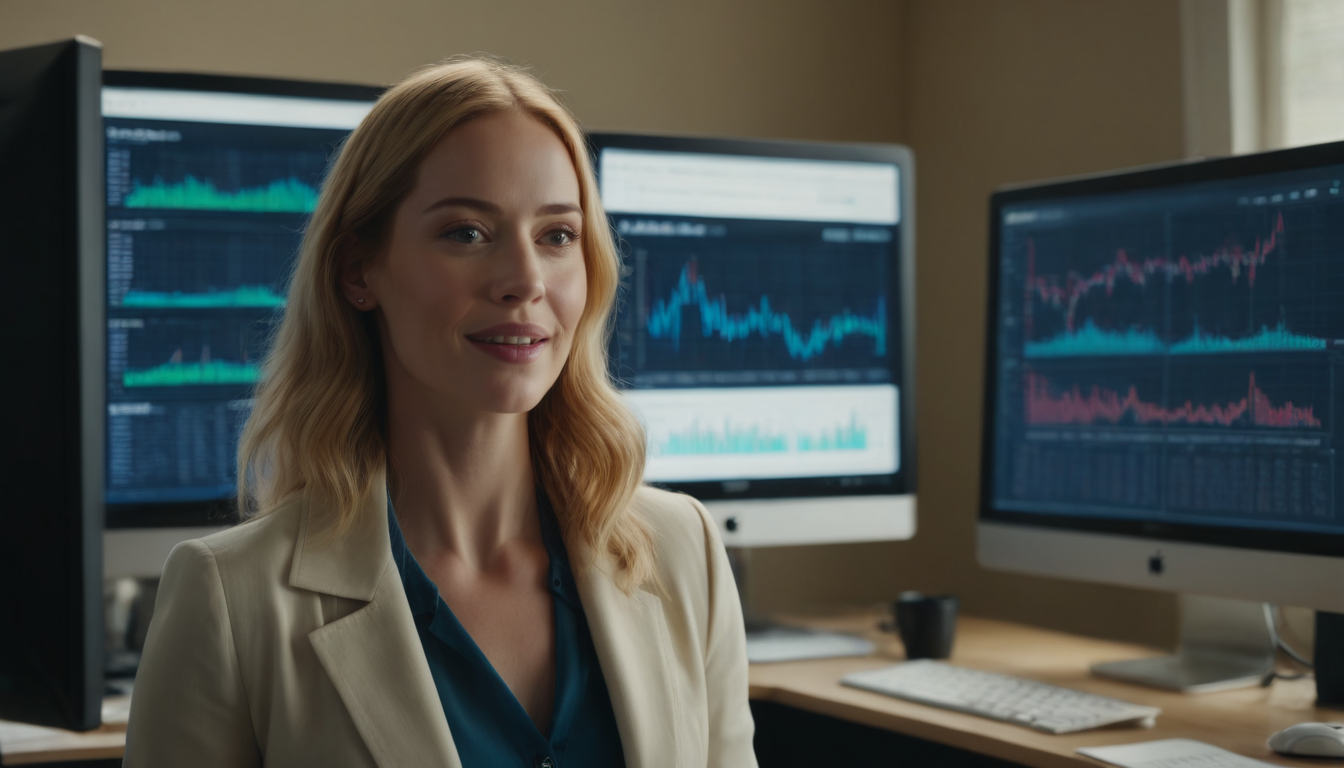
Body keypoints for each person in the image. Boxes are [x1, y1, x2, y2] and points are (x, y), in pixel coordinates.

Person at [122, 56, 756, 768]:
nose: (525, 281)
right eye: (467, 233)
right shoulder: (231, 599)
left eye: (557, 236)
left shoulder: (685, 551)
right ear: (358, 271)